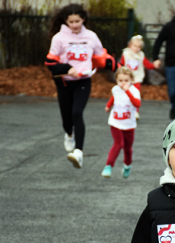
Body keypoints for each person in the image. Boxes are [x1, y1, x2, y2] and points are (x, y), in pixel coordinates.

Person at [45, 3, 115, 169]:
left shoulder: (91, 36)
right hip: (64, 82)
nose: (75, 25)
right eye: (71, 22)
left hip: (83, 81)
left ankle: (78, 152)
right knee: (67, 120)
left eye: (78, 21)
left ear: (83, 19)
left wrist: (116, 67)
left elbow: (101, 57)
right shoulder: (59, 38)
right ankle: (69, 134)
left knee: (77, 113)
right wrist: (67, 68)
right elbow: (50, 63)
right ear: (66, 21)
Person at [103, 67, 141, 179]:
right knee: (118, 143)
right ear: (116, 81)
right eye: (120, 81)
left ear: (131, 80)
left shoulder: (134, 91)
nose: (123, 83)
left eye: (126, 80)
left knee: (128, 148)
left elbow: (137, 104)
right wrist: (108, 106)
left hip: (129, 124)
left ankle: (127, 165)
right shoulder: (115, 89)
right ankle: (108, 166)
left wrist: (127, 91)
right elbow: (114, 98)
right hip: (115, 122)